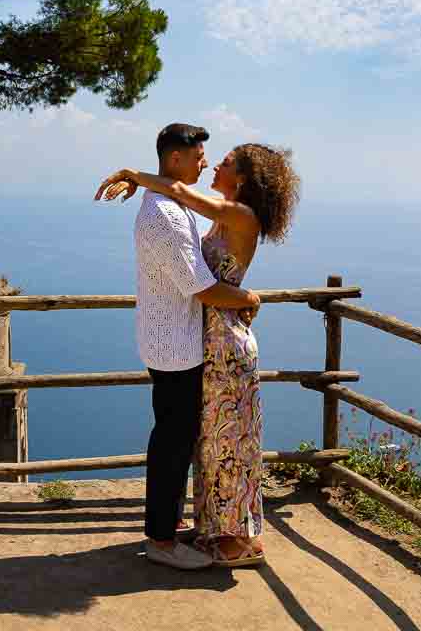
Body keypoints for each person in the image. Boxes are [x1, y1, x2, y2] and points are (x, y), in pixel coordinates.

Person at [96, 140, 300, 567]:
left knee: (230, 440)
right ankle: (216, 526)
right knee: (211, 440)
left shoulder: (240, 215)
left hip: (225, 341)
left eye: (224, 162)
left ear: (241, 177)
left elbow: (182, 194)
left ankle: (236, 539)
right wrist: (246, 296)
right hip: (208, 337)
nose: (214, 165)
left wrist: (132, 174)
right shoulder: (222, 214)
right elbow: (181, 197)